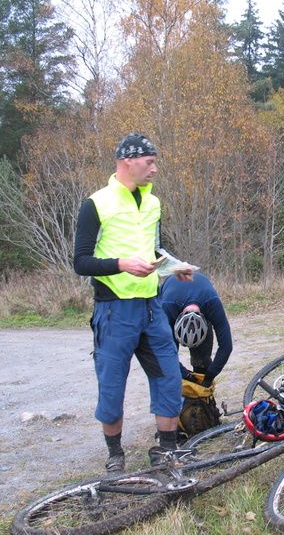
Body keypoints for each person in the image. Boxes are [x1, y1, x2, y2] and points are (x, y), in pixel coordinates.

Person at [73, 133, 193, 473]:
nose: (154, 169)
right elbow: (80, 262)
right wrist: (121, 264)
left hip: (152, 308)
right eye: (149, 162)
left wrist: (173, 267)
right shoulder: (96, 204)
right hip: (114, 311)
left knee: (168, 377)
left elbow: (155, 250)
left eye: (155, 162)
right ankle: (115, 455)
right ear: (128, 161)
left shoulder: (153, 203)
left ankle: (166, 450)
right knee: (112, 386)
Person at [160, 272, 233, 388]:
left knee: (202, 360)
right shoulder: (167, 307)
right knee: (169, 354)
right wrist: (185, 375)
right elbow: (164, 352)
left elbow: (226, 346)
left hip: (203, 299)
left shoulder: (212, 304)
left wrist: (210, 375)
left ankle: (202, 389)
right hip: (172, 301)